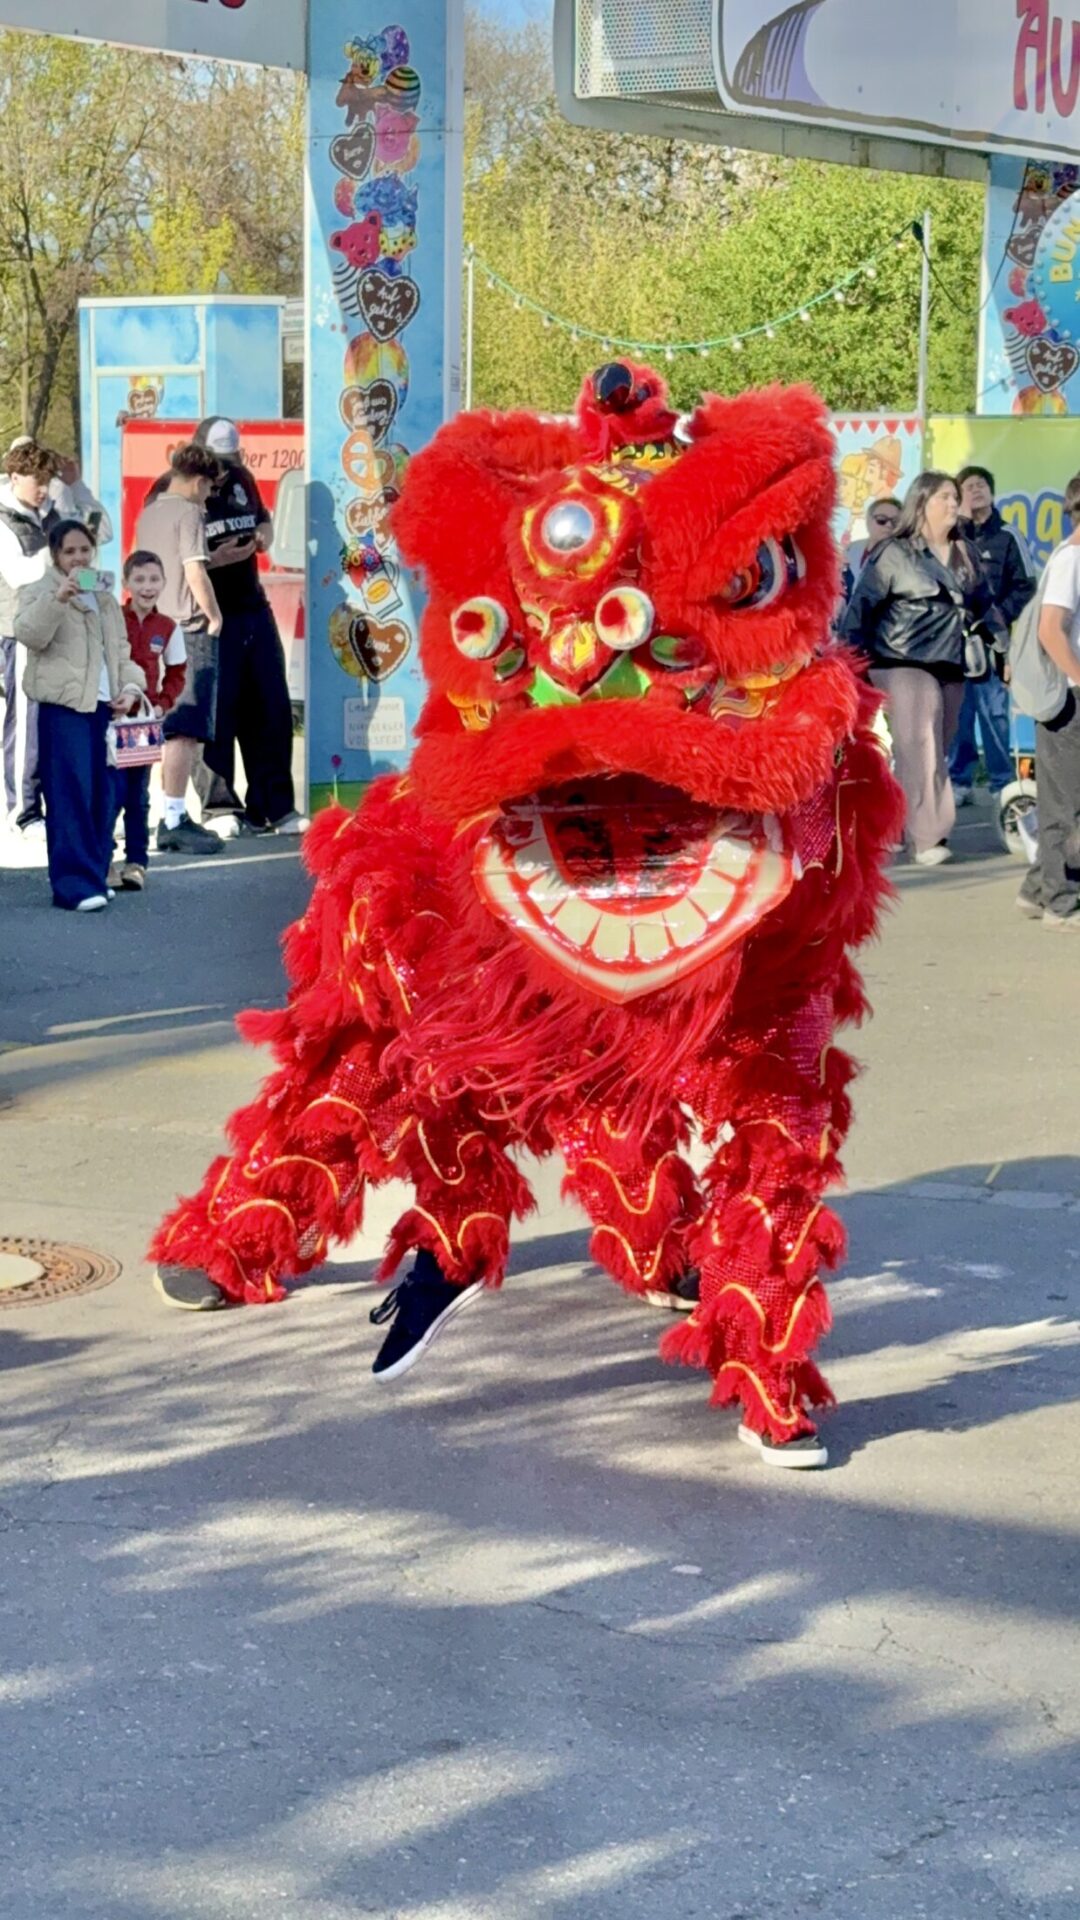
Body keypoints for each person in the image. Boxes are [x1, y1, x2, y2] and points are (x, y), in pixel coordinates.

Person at [150, 365, 904, 1474]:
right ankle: (264, 1208)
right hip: (528, 828)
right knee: (375, 968)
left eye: (745, 575)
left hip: (740, 843)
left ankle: (750, 1332)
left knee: (767, 1083)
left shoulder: (808, 752)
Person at [841, 470, 1004, 866]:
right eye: (944, 496)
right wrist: (850, 666)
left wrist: (1004, 649)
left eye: (954, 497)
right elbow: (860, 610)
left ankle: (890, 825)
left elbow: (985, 607)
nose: (953, 503)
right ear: (922, 503)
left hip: (949, 662)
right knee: (922, 746)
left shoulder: (965, 553)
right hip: (900, 661)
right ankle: (930, 837)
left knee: (928, 750)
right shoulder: (894, 553)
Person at [14, 520, 144, 912]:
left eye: (84, 550)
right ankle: (72, 887)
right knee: (69, 795)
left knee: (104, 795)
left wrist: (131, 688)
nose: (78, 558)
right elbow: (29, 634)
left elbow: (121, 650)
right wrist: (59, 598)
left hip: (104, 708)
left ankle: (95, 874)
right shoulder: (38, 590)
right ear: (55, 554)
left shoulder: (103, 595)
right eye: (69, 551)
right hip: (64, 708)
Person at [190, 417, 305, 837]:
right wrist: (215, 559)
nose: (222, 470)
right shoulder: (178, 491)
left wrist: (263, 536)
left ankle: (273, 806)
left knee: (270, 706)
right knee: (217, 710)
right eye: (215, 462)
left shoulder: (242, 478)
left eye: (229, 460)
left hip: (252, 604)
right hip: (207, 613)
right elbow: (164, 558)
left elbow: (263, 519)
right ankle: (220, 805)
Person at [0, 442, 111, 837]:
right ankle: (23, 811)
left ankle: (59, 807)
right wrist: (60, 554)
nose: (44, 489)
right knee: (26, 721)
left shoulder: (54, 511)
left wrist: (78, 489)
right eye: (37, 481)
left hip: (68, 627)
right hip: (23, 630)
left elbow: (101, 533)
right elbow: (20, 574)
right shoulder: (4, 521)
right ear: (15, 478)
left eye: (48, 480)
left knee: (60, 723)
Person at [135, 445, 225, 857]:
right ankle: (173, 818)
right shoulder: (190, 513)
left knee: (159, 722)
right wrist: (214, 615)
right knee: (184, 730)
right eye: (209, 488)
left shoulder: (150, 511)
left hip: (152, 626)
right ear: (199, 481)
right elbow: (194, 569)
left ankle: (152, 810)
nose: (208, 497)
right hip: (186, 627)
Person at [949, 465, 1036, 804]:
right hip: (953, 641)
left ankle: (1002, 784)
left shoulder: (1008, 536)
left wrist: (997, 617)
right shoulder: (950, 536)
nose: (976, 490)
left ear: (992, 492)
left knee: (995, 714)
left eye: (981, 484)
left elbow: (1026, 587)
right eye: (969, 486)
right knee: (959, 714)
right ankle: (959, 781)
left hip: (993, 641)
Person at [1017, 471, 1080, 929]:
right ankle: (1061, 903)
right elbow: (1050, 628)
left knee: (1066, 799)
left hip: (1070, 693)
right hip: (1069, 699)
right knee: (1065, 805)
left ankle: (1037, 888)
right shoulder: (1072, 559)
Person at [109, 549, 189, 892]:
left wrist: (162, 704)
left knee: (137, 795)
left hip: (143, 723)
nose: (147, 586)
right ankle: (104, 860)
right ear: (126, 583)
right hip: (110, 718)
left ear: (164, 582)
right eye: (139, 579)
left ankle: (137, 862)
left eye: (154, 579)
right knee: (109, 792)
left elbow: (177, 672)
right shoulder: (112, 618)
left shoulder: (168, 628)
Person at [840, 495, 901, 606]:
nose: (888, 525)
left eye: (895, 522)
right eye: (881, 520)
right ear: (868, 521)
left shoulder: (904, 560)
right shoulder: (851, 549)